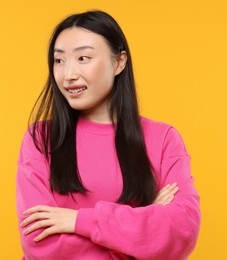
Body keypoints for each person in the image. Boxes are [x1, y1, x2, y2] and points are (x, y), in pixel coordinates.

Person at [16, 10, 201, 260]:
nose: (68, 74)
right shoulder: (41, 138)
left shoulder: (163, 138)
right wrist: (142, 232)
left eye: (83, 58)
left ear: (119, 62)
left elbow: (182, 230)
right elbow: (40, 244)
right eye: (59, 61)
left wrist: (79, 220)